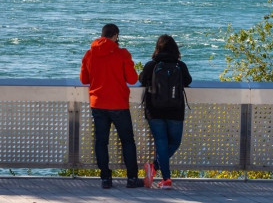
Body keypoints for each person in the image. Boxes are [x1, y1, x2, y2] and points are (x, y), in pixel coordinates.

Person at [80, 23, 144, 189]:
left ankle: (105, 179)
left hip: (98, 104)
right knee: (128, 141)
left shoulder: (89, 54)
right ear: (116, 36)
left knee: (101, 142)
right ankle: (131, 179)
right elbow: (132, 79)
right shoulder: (122, 54)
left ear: (101, 35)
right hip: (118, 104)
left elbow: (83, 80)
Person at [139, 34, 192, 190]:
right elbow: (188, 81)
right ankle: (162, 175)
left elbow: (142, 80)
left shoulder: (152, 65)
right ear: (175, 49)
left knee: (161, 141)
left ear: (157, 48)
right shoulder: (180, 65)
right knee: (174, 142)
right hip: (175, 109)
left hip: (154, 109)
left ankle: (159, 172)